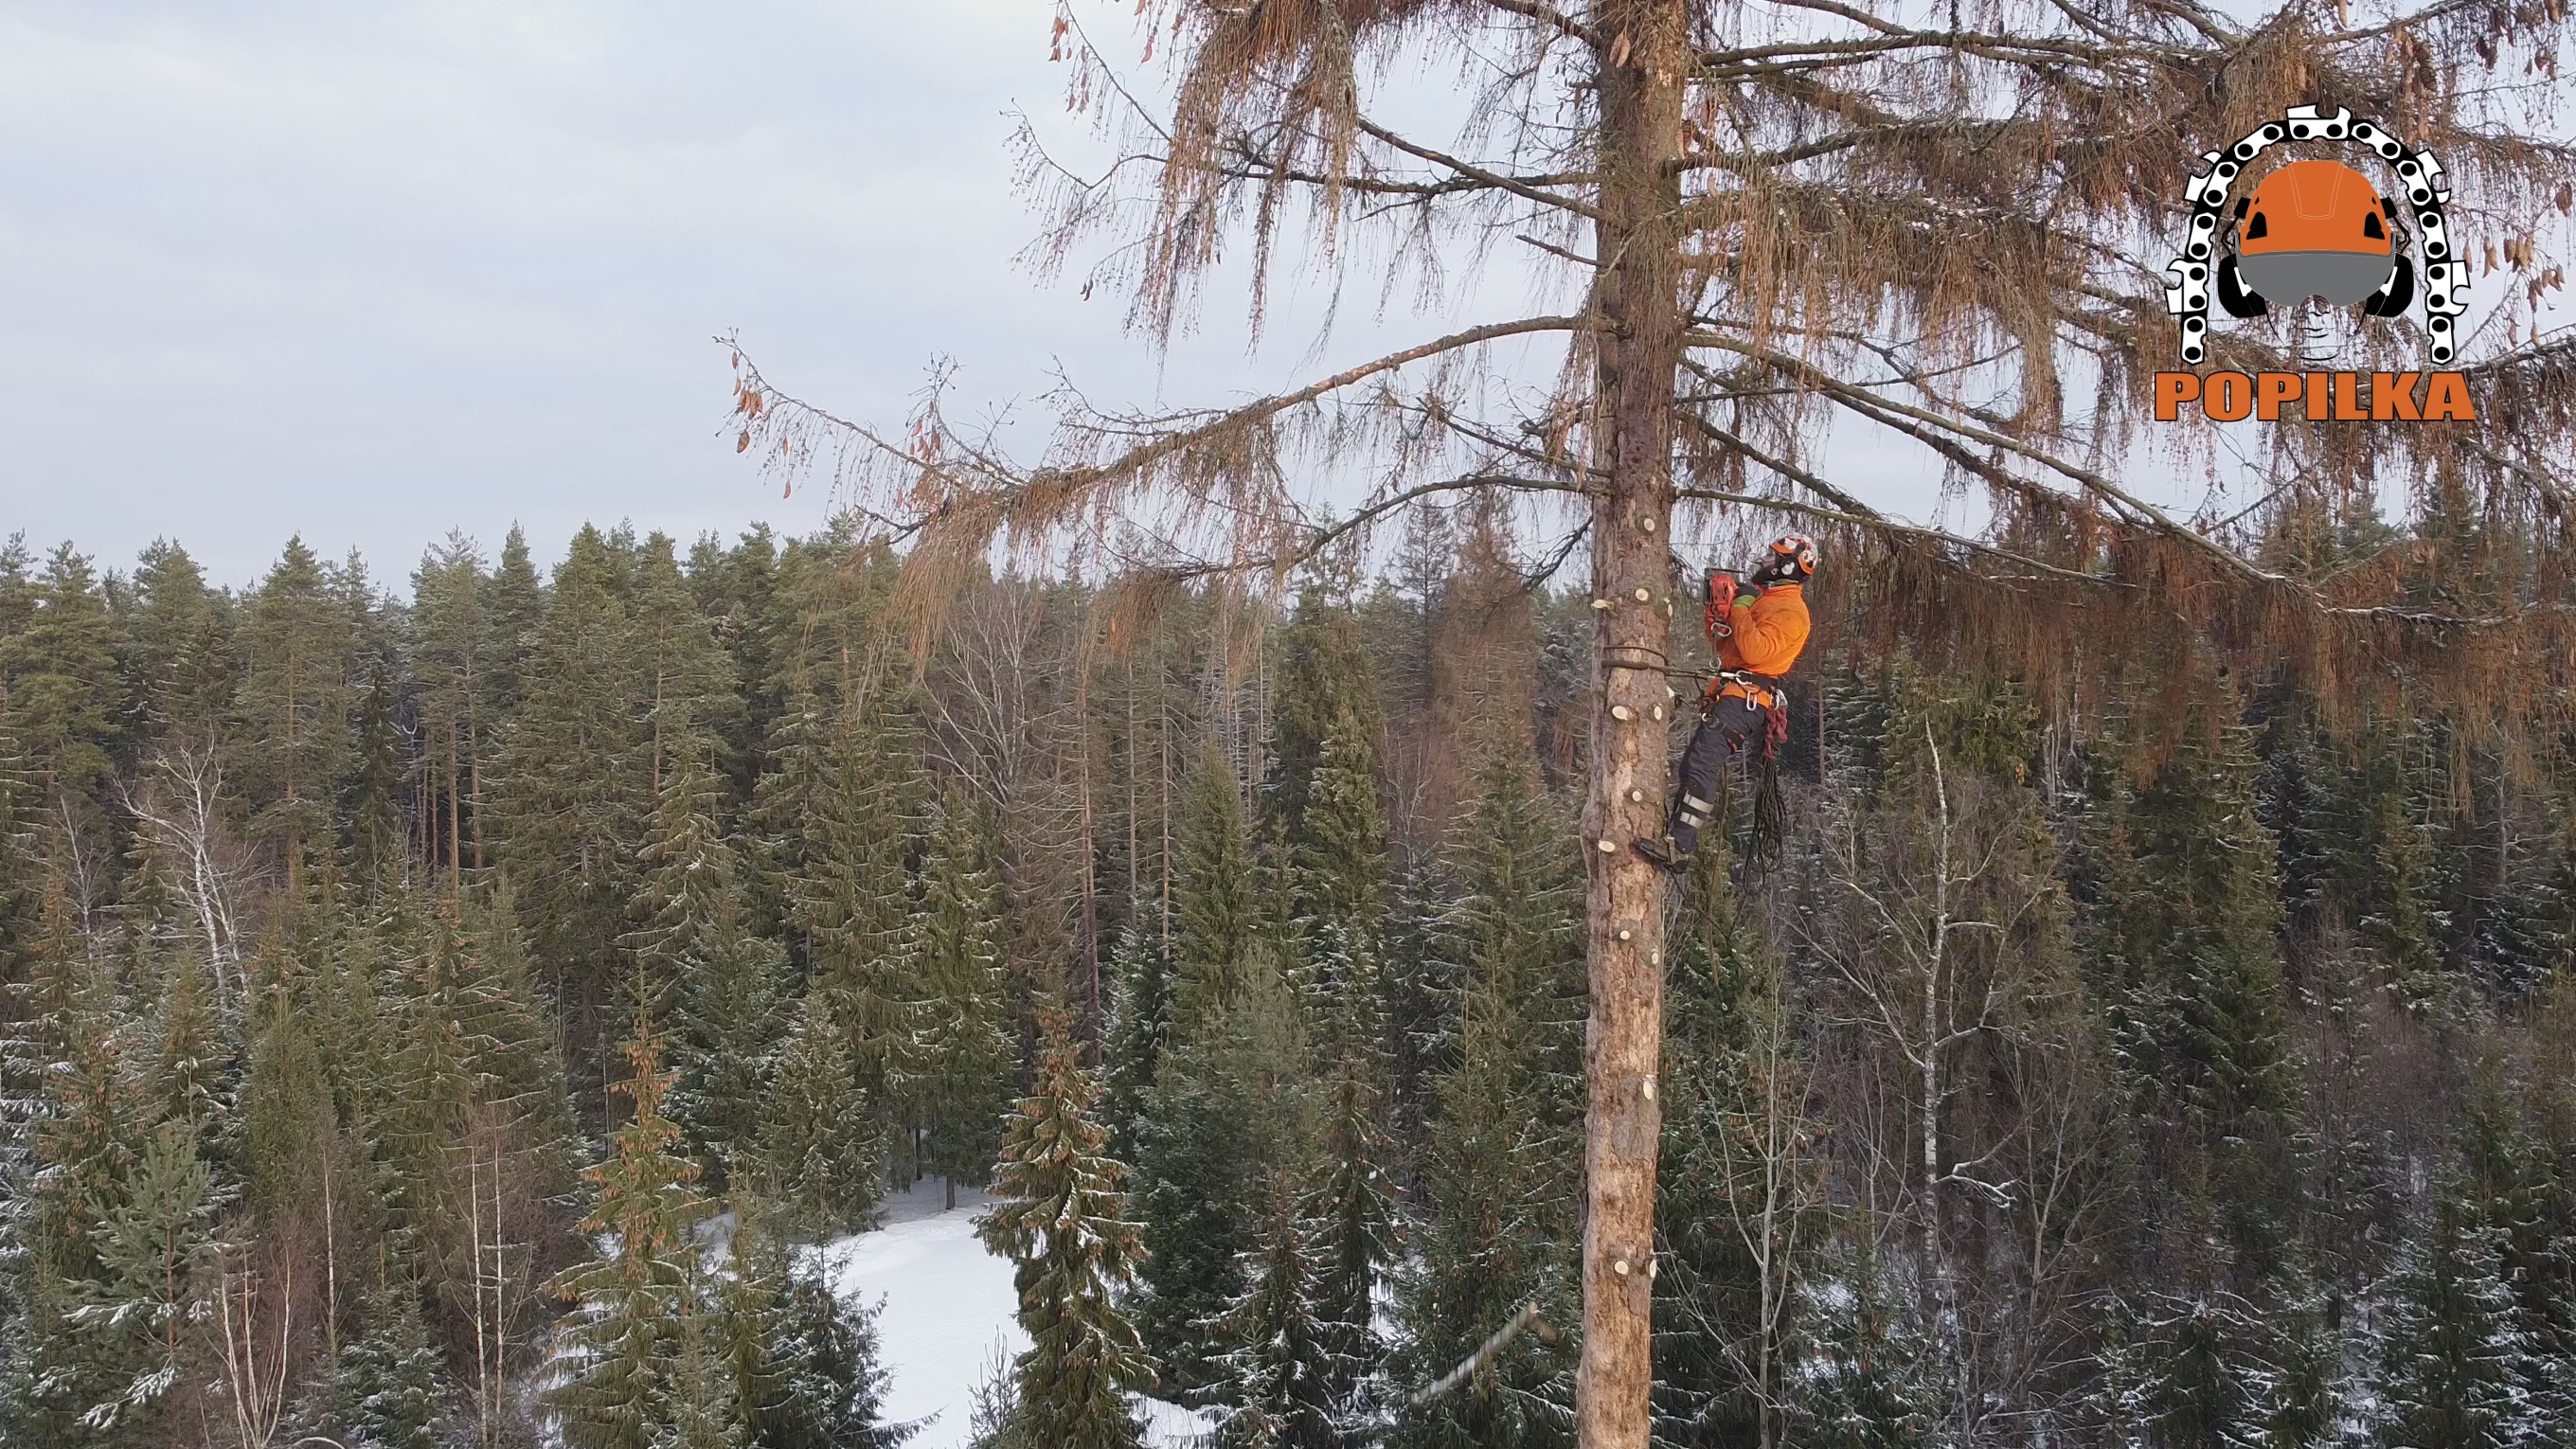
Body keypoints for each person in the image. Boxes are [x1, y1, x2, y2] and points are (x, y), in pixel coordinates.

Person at [1635, 533, 1816, 871]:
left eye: (1770, 556)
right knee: (1693, 763)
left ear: (1786, 566)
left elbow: (1755, 651)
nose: (1762, 560)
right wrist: (1719, 614)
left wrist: (1742, 606)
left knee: (1702, 764)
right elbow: (1727, 649)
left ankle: (1680, 848)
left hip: (1747, 701)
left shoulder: (1792, 610)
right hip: (1734, 694)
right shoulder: (1767, 600)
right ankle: (1676, 839)